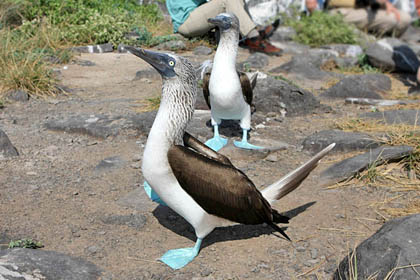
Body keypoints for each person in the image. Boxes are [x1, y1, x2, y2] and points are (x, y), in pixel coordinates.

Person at [165, 0, 283, 56]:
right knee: (227, 0)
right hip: (186, 22)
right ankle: (254, 39)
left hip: (195, 16)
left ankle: (253, 33)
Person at [304, 0, 412, 36]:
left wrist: (385, 3)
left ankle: (379, 41)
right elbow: (311, 4)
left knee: (404, 19)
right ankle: (368, 41)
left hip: (366, 10)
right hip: (340, 11)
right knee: (394, 19)